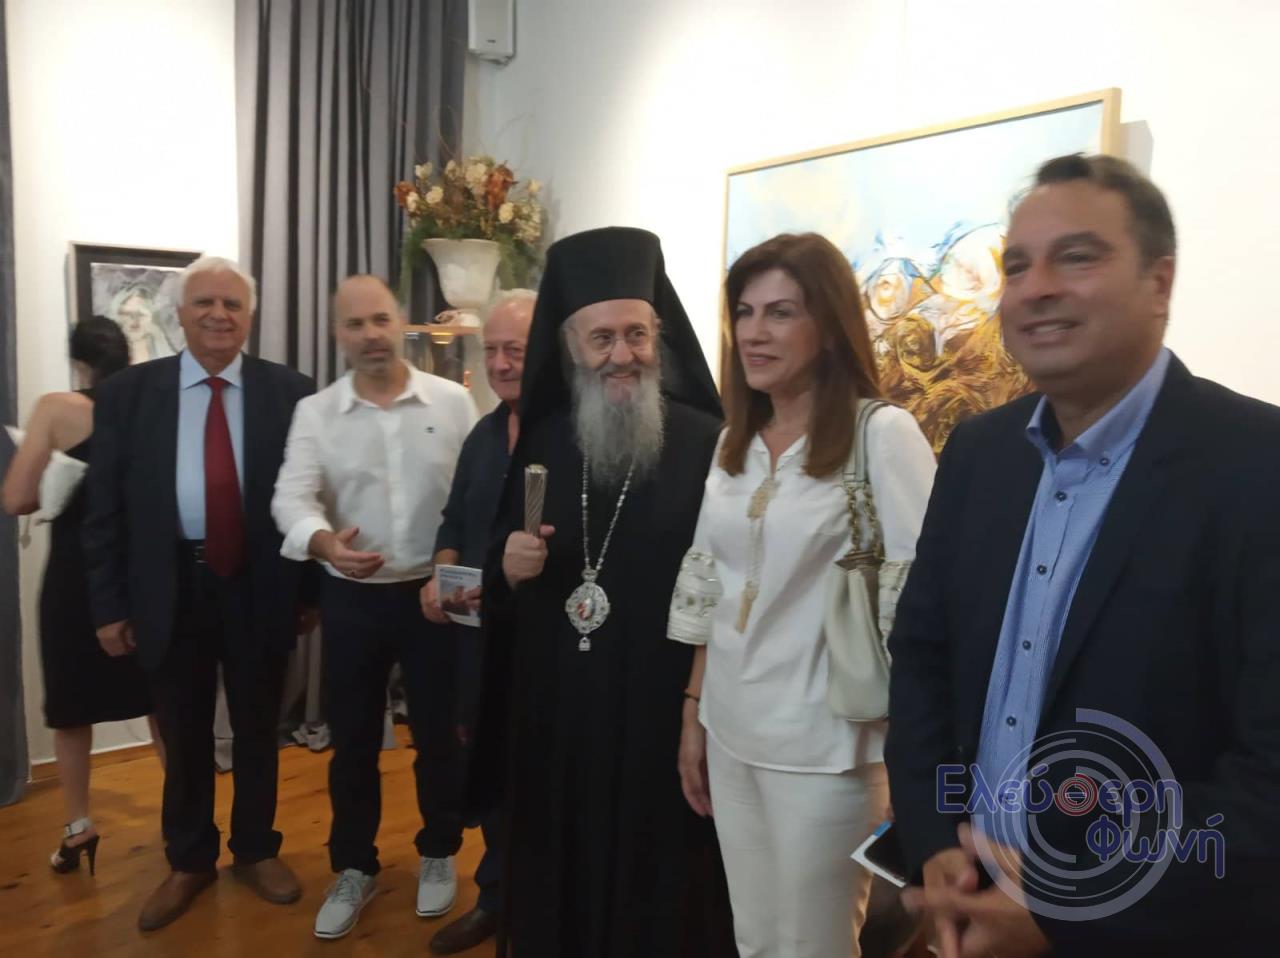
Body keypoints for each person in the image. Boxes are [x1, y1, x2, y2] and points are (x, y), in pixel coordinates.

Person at [886, 154, 1280, 956]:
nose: (1035, 289)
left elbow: (1266, 777)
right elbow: (923, 657)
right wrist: (935, 837)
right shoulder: (980, 454)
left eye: (1076, 257)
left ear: (1160, 282)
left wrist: (1069, 913)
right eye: (1016, 266)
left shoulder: (1256, 466)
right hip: (973, 906)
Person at [472, 227, 737, 957]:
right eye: (602, 339)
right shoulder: (545, 438)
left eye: (636, 335)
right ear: (570, 347)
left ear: (659, 338)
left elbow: (728, 579)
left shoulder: (707, 441)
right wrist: (507, 566)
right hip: (558, 714)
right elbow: (497, 564)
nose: (623, 355)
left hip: (659, 711)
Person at [669, 233, 936, 957]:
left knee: (815, 945)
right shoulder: (735, 440)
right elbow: (711, 586)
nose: (755, 332)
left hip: (826, 746)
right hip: (731, 727)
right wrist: (694, 712)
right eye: (745, 312)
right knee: (755, 940)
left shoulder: (881, 435)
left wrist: (915, 754)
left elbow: (923, 604)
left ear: (830, 326)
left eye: (781, 312)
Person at [83, 256, 315, 932]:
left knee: (259, 728)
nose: (219, 314)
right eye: (205, 303)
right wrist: (109, 606)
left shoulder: (290, 393)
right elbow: (103, 512)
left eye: (232, 304)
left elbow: (309, 498)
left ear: (250, 317)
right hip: (168, 586)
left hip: (259, 584)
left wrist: (307, 594)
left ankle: (256, 849)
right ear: (179, 313)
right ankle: (189, 859)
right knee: (183, 733)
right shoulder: (128, 394)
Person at [271, 274, 476, 941]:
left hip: (433, 599)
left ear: (400, 321)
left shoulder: (453, 402)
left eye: (381, 320)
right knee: (353, 741)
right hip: (352, 597)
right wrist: (324, 542)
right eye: (355, 324)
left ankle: (440, 850)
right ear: (339, 334)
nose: (371, 335)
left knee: (438, 735)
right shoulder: (316, 413)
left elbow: (476, 494)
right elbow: (291, 498)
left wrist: (453, 569)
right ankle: (354, 866)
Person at [3, 317, 162, 877]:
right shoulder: (151, 409)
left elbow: (17, 499)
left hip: (76, 577)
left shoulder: (56, 407)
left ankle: (78, 828)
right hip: (140, 573)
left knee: (72, 709)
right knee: (160, 701)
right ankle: (184, 822)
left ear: (79, 363)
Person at [420, 288, 535, 955]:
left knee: (537, 785)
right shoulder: (484, 436)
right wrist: (440, 576)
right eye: (491, 350)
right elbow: (453, 522)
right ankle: (494, 897)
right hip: (475, 644)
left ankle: (536, 910)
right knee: (486, 770)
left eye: (514, 349)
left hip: (541, 652)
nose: (499, 364)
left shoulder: (569, 438)